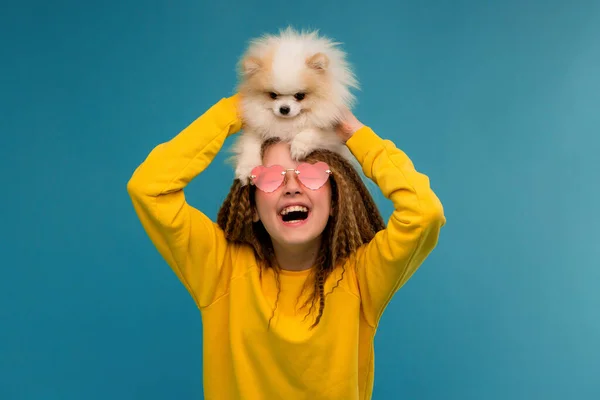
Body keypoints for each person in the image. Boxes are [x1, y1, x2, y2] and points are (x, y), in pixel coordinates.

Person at [127, 93, 446, 399]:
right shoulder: (221, 269)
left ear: (336, 199)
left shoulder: (361, 277)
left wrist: (352, 132)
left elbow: (423, 213)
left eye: (311, 173)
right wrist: (237, 110)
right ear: (251, 205)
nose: (292, 187)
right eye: (271, 177)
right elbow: (149, 188)